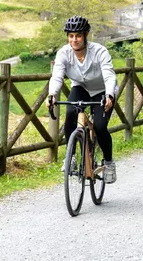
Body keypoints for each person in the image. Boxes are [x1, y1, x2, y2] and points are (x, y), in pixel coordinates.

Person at [47, 16, 117, 183]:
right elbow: (57, 76)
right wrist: (52, 95)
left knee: (100, 127)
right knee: (71, 113)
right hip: (81, 88)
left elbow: (108, 75)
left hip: (102, 90)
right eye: (71, 36)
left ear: (86, 35)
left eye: (78, 35)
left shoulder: (99, 51)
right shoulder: (64, 53)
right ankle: (70, 157)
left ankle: (109, 163)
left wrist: (109, 95)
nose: (74, 40)